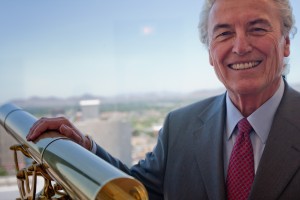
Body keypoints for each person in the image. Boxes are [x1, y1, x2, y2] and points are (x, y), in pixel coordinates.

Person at [27, 0, 299, 199]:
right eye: (224, 33)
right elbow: (135, 189)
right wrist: (84, 148)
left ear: (286, 42)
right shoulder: (178, 126)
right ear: (210, 53)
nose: (240, 46)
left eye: (258, 29)